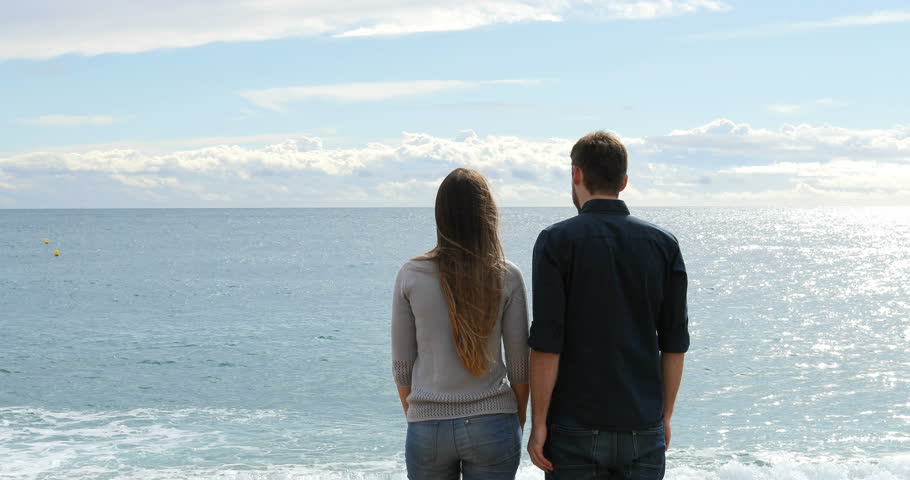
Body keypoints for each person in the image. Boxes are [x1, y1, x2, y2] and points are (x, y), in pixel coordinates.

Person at [526, 132, 690, 479]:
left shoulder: (556, 241)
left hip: (573, 425)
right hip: (642, 423)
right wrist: (666, 416)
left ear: (576, 174)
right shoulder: (663, 244)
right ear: (624, 181)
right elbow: (674, 342)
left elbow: (547, 341)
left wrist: (538, 422)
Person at [391, 168, 530, 480]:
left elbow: (402, 368)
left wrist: (421, 416)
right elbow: (520, 367)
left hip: (427, 428)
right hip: (493, 422)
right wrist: (516, 421)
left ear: (440, 215)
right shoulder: (507, 274)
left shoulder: (411, 274)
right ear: (487, 214)